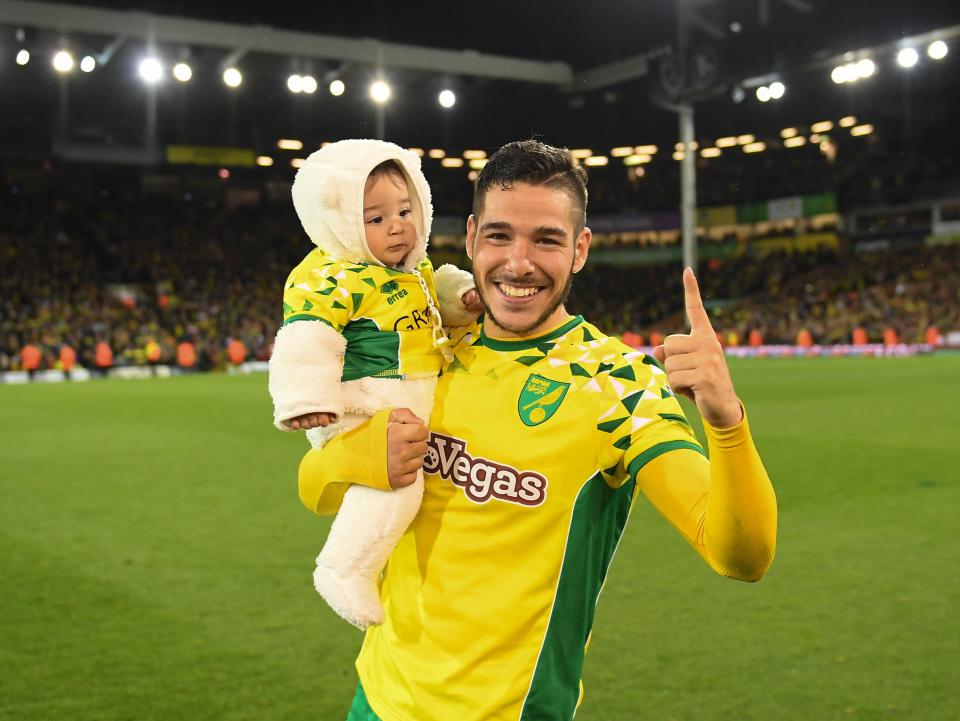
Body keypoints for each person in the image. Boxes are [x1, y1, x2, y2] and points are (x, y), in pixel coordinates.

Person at [297, 140, 778, 721]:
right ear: (472, 238)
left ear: (579, 250)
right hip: (376, 700)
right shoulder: (429, 354)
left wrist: (726, 423)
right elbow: (313, 488)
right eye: (500, 236)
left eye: (546, 239)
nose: (518, 263)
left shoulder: (618, 384)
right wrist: (360, 458)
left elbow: (740, 556)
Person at [268, 139, 479, 629]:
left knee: (410, 479)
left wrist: (464, 298)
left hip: (404, 403)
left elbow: (433, 301)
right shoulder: (330, 276)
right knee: (398, 486)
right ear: (339, 222)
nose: (398, 226)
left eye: (405, 210)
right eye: (376, 218)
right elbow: (305, 338)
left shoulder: (415, 270)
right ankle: (343, 568)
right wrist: (307, 401)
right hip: (359, 404)